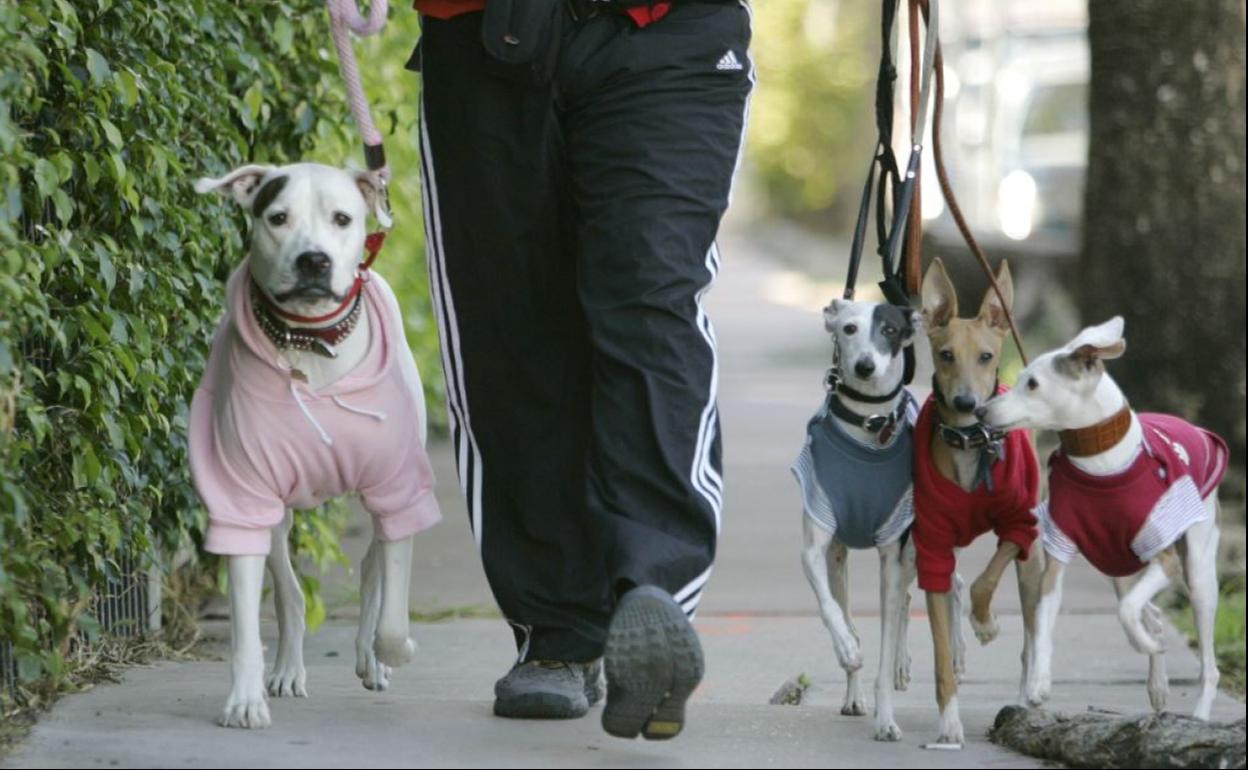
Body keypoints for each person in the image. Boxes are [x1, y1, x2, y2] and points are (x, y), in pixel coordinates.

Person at [410, 0, 753, 738]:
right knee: (509, 329)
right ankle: (559, 631)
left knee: (651, 296)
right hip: (484, 30)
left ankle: (653, 596)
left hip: (672, 32)